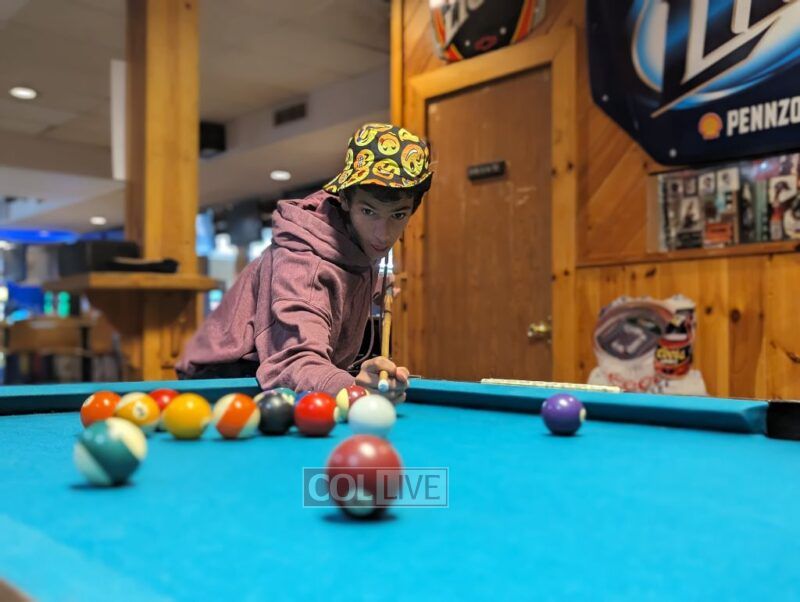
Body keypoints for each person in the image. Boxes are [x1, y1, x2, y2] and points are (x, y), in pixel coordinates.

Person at [176, 123, 433, 403]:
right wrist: (352, 389)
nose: (382, 234)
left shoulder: (354, 240)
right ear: (344, 199)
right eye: (368, 211)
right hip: (225, 376)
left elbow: (340, 277)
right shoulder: (304, 263)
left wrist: (375, 286)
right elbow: (294, 360)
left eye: (398, 215)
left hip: (268, 371)